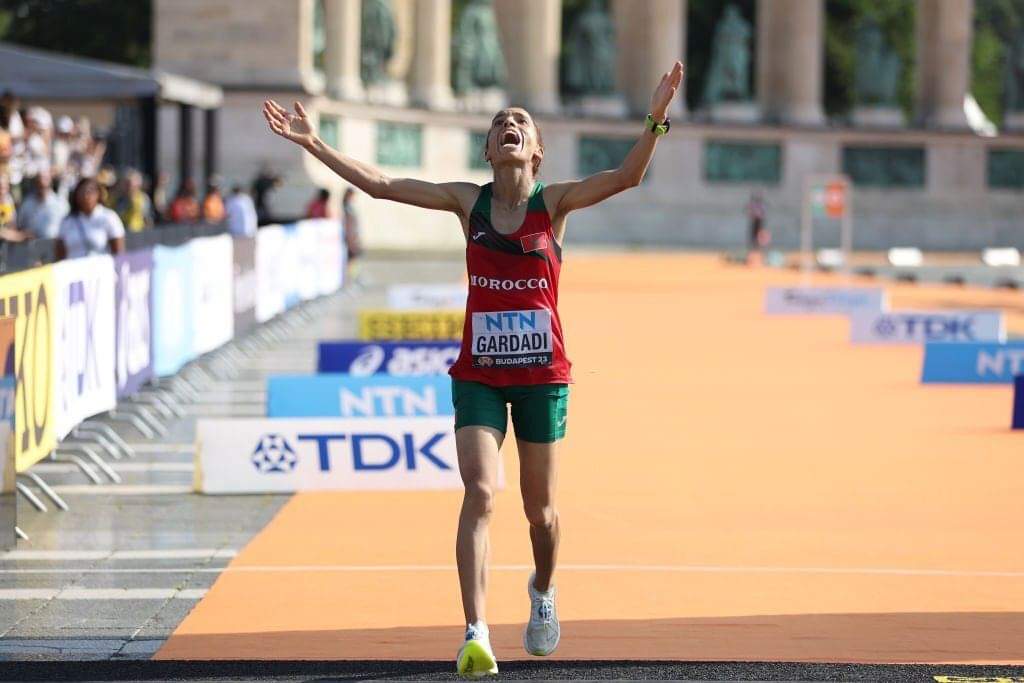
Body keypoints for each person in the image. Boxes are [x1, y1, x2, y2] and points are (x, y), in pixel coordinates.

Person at [263, 60, 684, 678]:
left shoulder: (556, 203)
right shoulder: (469, 204)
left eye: (521, 122)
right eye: (499, 124)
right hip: (479, 375)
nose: (510, 124)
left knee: (540, 513)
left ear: (535, 152)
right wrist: (314, 142)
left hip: (543, 378)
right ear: (489, 151)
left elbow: (626, 176)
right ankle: (475, 632)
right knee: (482, 491)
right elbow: (381, 184)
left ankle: (542, 589)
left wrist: (656, 117)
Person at [57, 177, 125, 259]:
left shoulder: (109, 217)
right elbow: (60, 252)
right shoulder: (67, 221)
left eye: (90, 192)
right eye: (82, 192)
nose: (86, 196)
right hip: (74, 269)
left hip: (100, 268)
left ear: (98, 194)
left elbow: (118, 250)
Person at [18, 170, 67, 240]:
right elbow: (20, 225)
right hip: (30, 246)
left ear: (51, 182)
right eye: (39, 180)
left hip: (52, 246)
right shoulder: (27, 203)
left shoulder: (61, 204)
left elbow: (67, 228)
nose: (42, 182)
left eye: (45, 179)